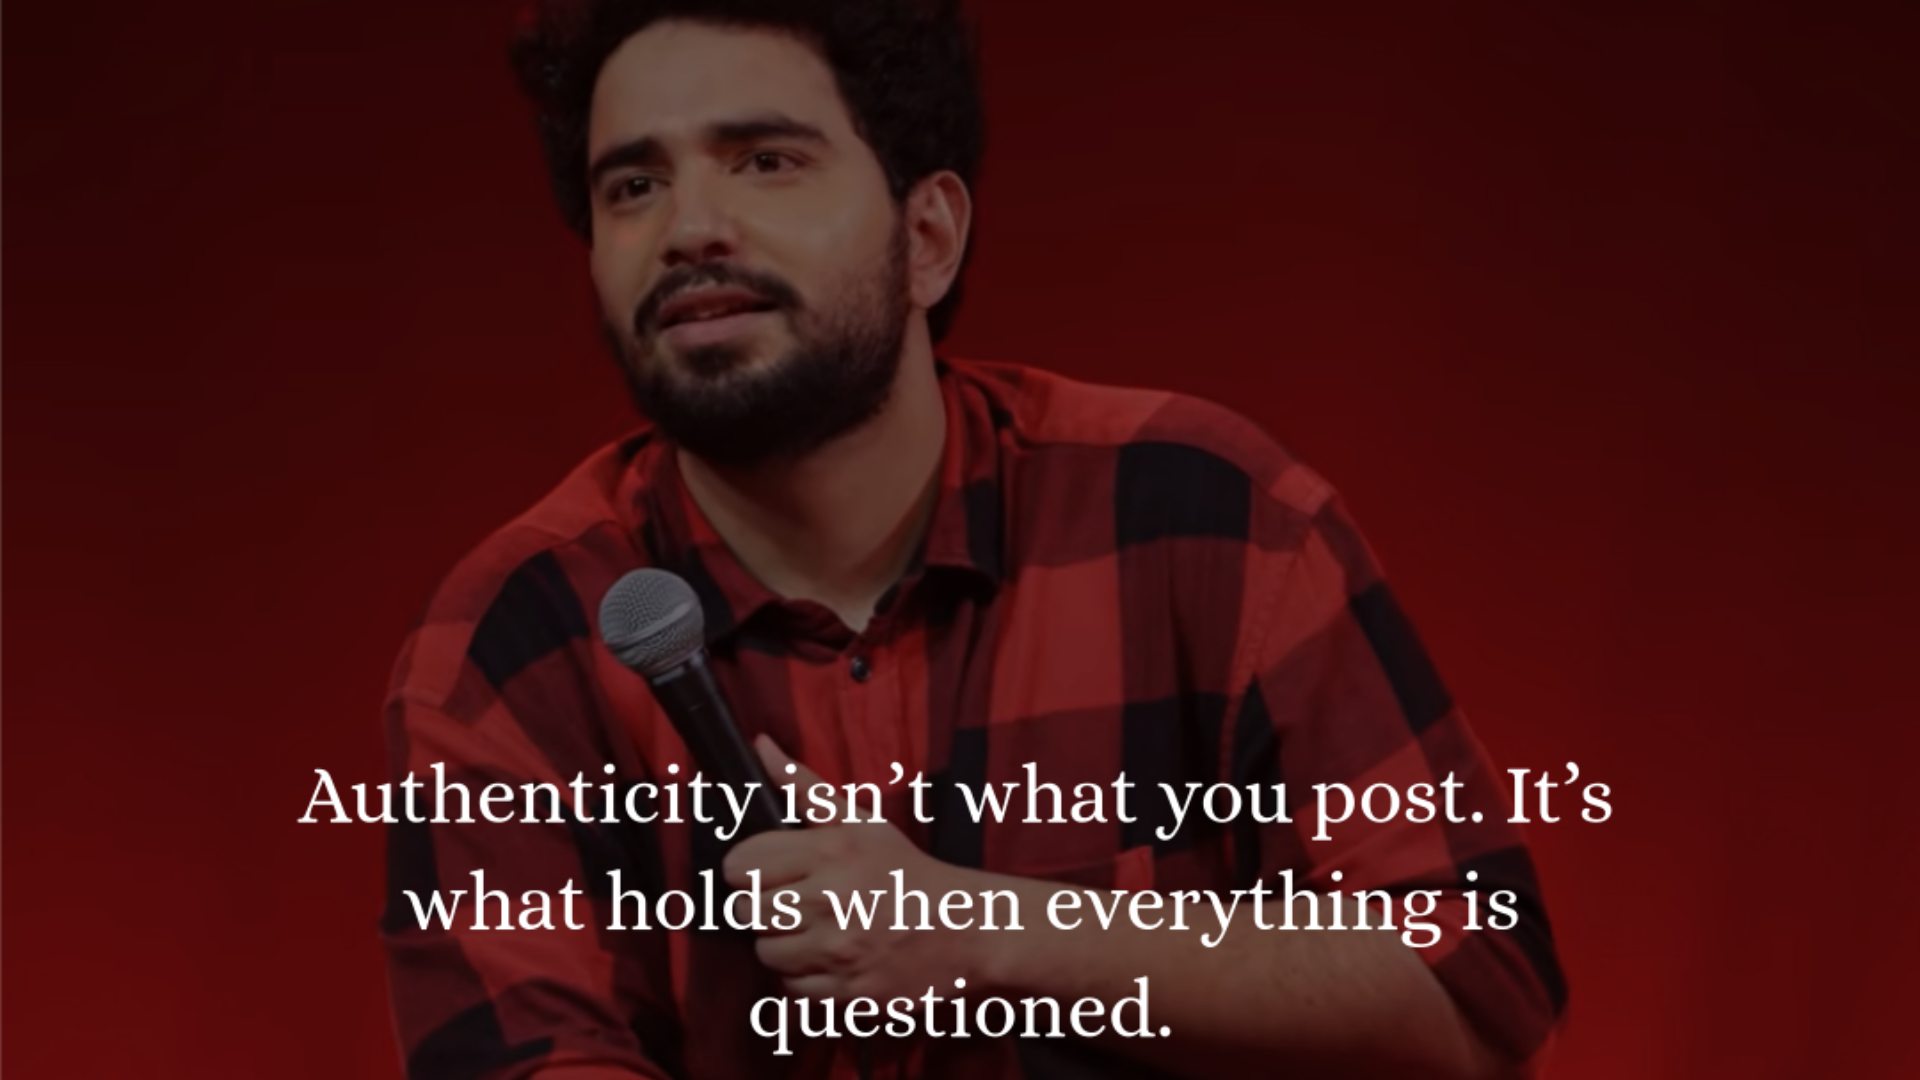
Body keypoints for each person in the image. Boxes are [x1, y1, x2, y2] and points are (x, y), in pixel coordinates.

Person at [380, 2, 1566, 1077]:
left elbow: (1475, 998)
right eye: (633, 186)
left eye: (765, 160)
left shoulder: (1207, 515)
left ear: (931, 235)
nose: (688, 227)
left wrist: (985, 931)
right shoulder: (512, 640)